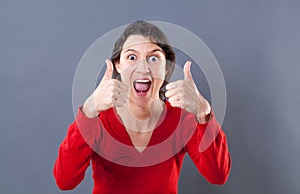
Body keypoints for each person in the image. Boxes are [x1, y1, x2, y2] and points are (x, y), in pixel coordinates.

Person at [53, 21, 231, 194]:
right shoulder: (98, 119)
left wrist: (203, 111)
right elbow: (65, 181)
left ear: (166, 67)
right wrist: (89, 109)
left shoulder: (181, 118)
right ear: (118, 64)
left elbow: (218, 175)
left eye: (154, 58)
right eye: (132, 57)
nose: (143, 68)